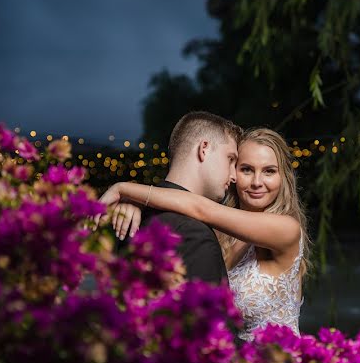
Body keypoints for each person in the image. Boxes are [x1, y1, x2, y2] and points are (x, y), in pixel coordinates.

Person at [100, 127, 310, 341]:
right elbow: (189, 208)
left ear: (284, 177)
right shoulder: (219, 232)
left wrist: (124, 189)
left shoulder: (287, 229)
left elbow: (201, 208)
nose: (257, 182)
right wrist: (137, 205)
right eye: (246, 169)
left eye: (269, 171)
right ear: (233, 173)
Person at [114, 111, 241, 285]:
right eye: (230, 159)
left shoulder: (131, 215)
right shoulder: (195, 235)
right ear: (204, 149)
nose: (234, 176)